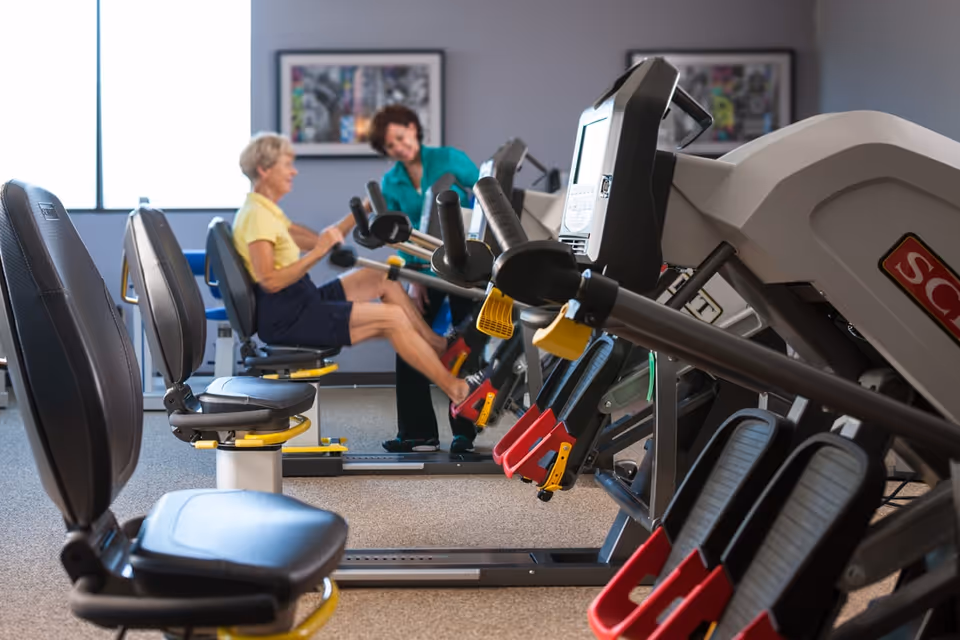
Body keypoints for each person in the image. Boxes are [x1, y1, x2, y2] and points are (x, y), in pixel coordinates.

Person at [232, 131, 473, 409]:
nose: (294, 171)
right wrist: (320, 251)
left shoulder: (266, 211)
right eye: (287, 164)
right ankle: (457, 390)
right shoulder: (256, 217)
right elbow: (270, 281)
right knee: (393, 318)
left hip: (300, 300)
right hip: (288, 316)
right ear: (265, 169)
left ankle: (438, 346)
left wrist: (364, 210)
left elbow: (320, 238)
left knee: (381, 275)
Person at [368, 104, 485, 454]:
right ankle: (417, 431)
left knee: (467, 347)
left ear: (413, 129)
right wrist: (414, 277)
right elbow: (397, 234)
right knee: (407, 339)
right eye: (391, 146)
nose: (399, 148)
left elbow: (487, 201)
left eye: (401, 138)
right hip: (423, 271)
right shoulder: (392, 181)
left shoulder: (450, 159)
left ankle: (465, 430)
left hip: (465, 268)